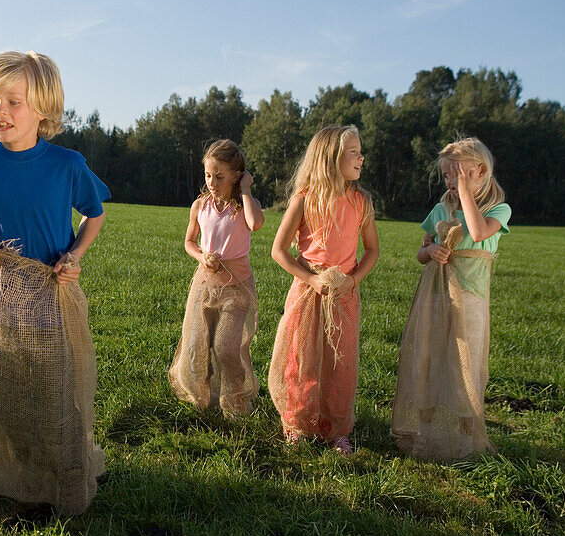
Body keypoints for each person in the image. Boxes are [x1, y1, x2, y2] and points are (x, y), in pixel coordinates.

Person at [0, 50, 109, 514]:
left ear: (44, 108)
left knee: (58, 383)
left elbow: (94, 214)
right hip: (5, 290)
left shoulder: (67, 163)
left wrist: (75, 255)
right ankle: (20, 468)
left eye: (14, 102)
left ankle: (64, 468)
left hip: (54, 288)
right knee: (9, 380)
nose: (1, 111)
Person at [392, 138, 510, 460]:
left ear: (480, 171)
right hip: (436, 294)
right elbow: (420, 251)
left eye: (457, 173)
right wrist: (430, 251)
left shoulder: (498, 209)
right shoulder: (441, 210)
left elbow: (478, 230)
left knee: (465, 366)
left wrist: (466, 193)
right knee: (427, 359)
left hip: (471, 299)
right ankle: (425, 430)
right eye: (446, 176)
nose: (450, 182)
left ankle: (466, 438)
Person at [268, 125, 379, 455]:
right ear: (331, 158)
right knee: (301, 358)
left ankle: (336, 428)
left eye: (361, 151)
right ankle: (298, 423)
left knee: (339, 362)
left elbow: (372, 250)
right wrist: (311, 279)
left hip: (344, 293)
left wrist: (352, 280)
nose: (361, 157)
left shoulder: (361, 202)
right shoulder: (304, 199)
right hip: (308, 290)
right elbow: (279, 250)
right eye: (354, 152)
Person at [169, 139, 265, 417]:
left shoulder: (245, 205)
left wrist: (246, 190)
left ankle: (235, 401)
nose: (212, 182)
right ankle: (203, 397)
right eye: (208, 175)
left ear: (237, 176)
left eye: (219, 176)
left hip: (237, 287)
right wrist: (202, 256)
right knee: (199, 342)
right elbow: (189, 241)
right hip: (205, 284)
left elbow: (255, 224)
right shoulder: (200, 205)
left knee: (225, 346)